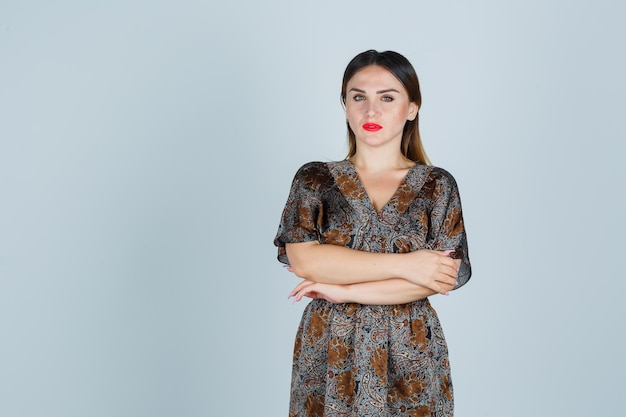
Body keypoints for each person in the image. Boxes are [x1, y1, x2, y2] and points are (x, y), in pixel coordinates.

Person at [274, 49, 471, 417]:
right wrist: (409, 264)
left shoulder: (436, 186)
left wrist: (341, 288)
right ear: (345, 104)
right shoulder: (314, 179)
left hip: (410, 350)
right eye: (358, 97)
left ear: (411, 107)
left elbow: (438, 279)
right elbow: (304, 259)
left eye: (387, 97)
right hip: (329, 347)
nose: (371, 111)